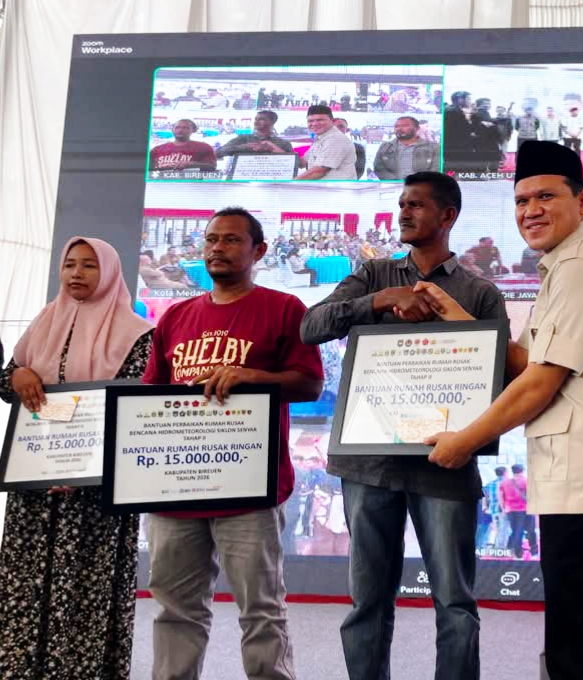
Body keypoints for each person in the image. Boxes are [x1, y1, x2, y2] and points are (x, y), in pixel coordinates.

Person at [407, 141, 583, 680]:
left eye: (546, 196)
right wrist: (459, 318)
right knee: (580, 633)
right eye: (522, 200)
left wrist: (464, 441)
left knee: (582, 644)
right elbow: (528, 362)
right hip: (580, 478)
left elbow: (540, 383)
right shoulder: (564, 266)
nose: (531, 211)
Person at [299, 172, 505, 680]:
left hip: (445, 461)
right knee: (368, 600)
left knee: (455, 602)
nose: (403, 213)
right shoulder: (372, 275)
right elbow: (309, 327)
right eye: (401, 204)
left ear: (448, 216)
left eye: (416, 205)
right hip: (367, 463)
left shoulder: (479, 292)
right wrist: (380, 300)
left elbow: (498, 379)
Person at [143, 207, 324, 680]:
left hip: (248, 488)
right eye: (210, 239)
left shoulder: (285, 308)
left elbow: (310, 385)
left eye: (230, 240)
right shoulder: (176, 315)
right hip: (175, 488)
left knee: (262, 610)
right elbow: (149, 397)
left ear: (258, 251)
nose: (216, 248)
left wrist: (253, 377)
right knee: (175, 610)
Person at [0, 238, 153, 680]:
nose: (76, 274)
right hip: (36, 485)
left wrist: (83, 467)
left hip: (96, 493)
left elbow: (133, 410)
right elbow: (7, 383)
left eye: (89, 265)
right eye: (69, 265)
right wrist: (19, 375)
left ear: (109, 272)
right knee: (26, 584)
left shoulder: (137, 334)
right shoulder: (45, 321)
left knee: (87, 586)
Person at [298, 104, 358, 180]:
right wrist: (285, 154)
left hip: (337, 187)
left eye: (320, 120)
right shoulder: (321, 138)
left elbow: (318, 172)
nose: (314, 124)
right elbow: (302, 163)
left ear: (332, 121)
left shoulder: (336, 139)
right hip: (325, 187)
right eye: (310, 121)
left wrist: (290, 183)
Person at [373, 116, 441, 180]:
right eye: (396, 126)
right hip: (392, 186)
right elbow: (379, 168)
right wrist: (396, 182)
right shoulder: (385, 147)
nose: (399, 129)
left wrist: (417, 183)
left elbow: (436, 169)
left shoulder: (434, 147)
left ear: (417, 128)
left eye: (405, 126)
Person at [216, 110, 294, 158]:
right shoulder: (243, 139)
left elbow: (293, 162)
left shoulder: (283, 143)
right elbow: (218, 152)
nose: (256, 122)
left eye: (261, 119)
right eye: (256, 119)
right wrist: (245, 147)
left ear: (272, 121)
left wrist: (272, 149)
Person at [149, 119, 218, 172]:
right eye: (177, 127)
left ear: (193, 130)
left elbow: (212, 166)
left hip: (191, 183)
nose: (180, 130)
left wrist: (192, 164)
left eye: (185, 128)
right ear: (172, 130)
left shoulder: (204, 147)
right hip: (160, 183)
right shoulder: (157, 149)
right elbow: (148, 170)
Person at [500, 464, 535, 559]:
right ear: (522, 471)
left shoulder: (504, 483)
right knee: (531, 530)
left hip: (510, 510)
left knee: (516, 532)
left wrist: (504, 509)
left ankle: (518, 554)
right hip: (525, 509)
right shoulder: (526, 481)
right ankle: (534, 552)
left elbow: (501, 497)